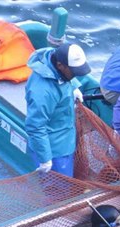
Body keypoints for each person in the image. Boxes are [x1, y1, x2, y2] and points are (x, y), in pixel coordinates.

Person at [25, 42, 91, 177]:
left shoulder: (55, 60)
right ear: (61, 66)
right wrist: (45, 159)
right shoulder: (42, 92)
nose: (76, 75)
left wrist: (74, 86)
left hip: (66, 138)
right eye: (74, 72)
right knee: (58, 191)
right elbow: (35, 126)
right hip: (54, 150)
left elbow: (64, 79)